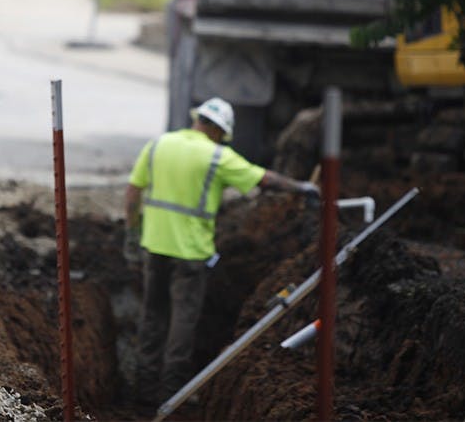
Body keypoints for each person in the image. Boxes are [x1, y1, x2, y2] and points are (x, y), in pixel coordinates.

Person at [123, 96, 319, 407]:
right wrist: (302, 188)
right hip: (190, 255)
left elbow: (133, 193)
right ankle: (170, 397)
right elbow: (264, 179)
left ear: (197, 120)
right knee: (182, 325)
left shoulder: (159, 145)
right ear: (219, 130)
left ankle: (142, 395)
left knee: (152, 317)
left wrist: (132, 234)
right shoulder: (217, 156)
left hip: (155, 247)